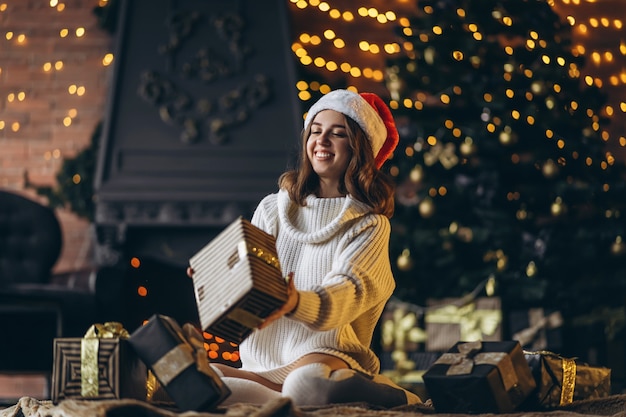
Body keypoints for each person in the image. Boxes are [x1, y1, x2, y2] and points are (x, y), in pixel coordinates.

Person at [188, 89, 422, 408]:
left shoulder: (369, 224)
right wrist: (217, 277)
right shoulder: (272, 209)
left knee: (305, 382)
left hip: (326, 354)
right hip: (265, 361)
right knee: (205, 377)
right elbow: (248, 275)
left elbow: (348, 292)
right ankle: (285, 402)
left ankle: (398, 398)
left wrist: (296, 301)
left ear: (359, 149)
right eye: (315, 130)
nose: (322, 140)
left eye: (337, 133)